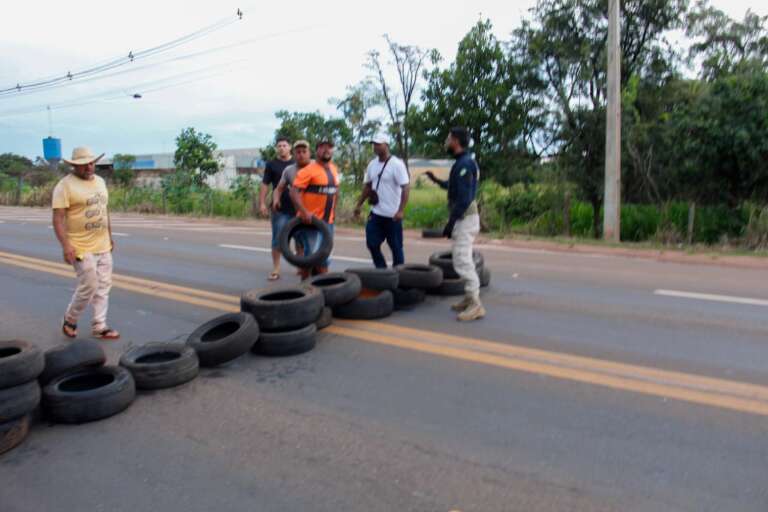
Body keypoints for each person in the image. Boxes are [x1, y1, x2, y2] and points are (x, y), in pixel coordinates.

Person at [52, 146, 120, 340]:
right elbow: (58, 219)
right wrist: (66, 246)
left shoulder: (100, 181)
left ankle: (100, 325)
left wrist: (110, 235)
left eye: (91, 163)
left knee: (104, 286)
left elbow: (104, 210)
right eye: (84, 164)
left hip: (103, 244)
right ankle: (70, 318)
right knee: (89, 285)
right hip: (80, 246)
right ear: (74, 166)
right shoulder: (64, 186)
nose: (89, 167)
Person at [425, 127, 485, 321]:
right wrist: (435, 180)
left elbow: (465, 198)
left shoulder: (465, 164)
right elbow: (454, 187)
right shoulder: (461, 163)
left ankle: (476, 305)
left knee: (461, 260)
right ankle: (469, 298)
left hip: (465, 219)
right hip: (463, 218)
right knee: (463, 257)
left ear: (456, 141)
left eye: (449, 138)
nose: (446, 142)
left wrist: (450, 224)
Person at [353, 133, 410, 268]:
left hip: (393, 216)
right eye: (374, 144)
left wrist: (401, 210)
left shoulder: (397, 164)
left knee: (396, 247)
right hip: (376, 214)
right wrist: (358, 205)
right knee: (372, 244)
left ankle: (399, 275)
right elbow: (368, 186)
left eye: (379, 144)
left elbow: (406, 187)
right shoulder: (372, 164)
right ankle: (382, 271)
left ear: (387, 145)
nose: (375, 147)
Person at [290, 139, 339, 279]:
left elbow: (335, 191)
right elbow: (294, 192)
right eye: (323, 147)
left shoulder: (334, 169)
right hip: (311, 223)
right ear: (316, 151)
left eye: (329, 147)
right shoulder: (307, 170)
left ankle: (322, 289)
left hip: (328, 222)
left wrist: (334, 212)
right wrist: (304, 212)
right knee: (311, 258)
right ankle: (305, 290)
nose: (326, 150)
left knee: (325, 256)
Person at [259, 137, 295, 280]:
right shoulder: (272, 164)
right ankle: (276, 269)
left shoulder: (297, 162)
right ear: (276, 148)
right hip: (279, 209)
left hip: (298, 208)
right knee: (277, 239)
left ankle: (303, 268)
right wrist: (262, 203)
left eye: (284, 145)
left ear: (290, 147)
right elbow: (265, 184)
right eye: (279, 145)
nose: (281, 148)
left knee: (301, 239)